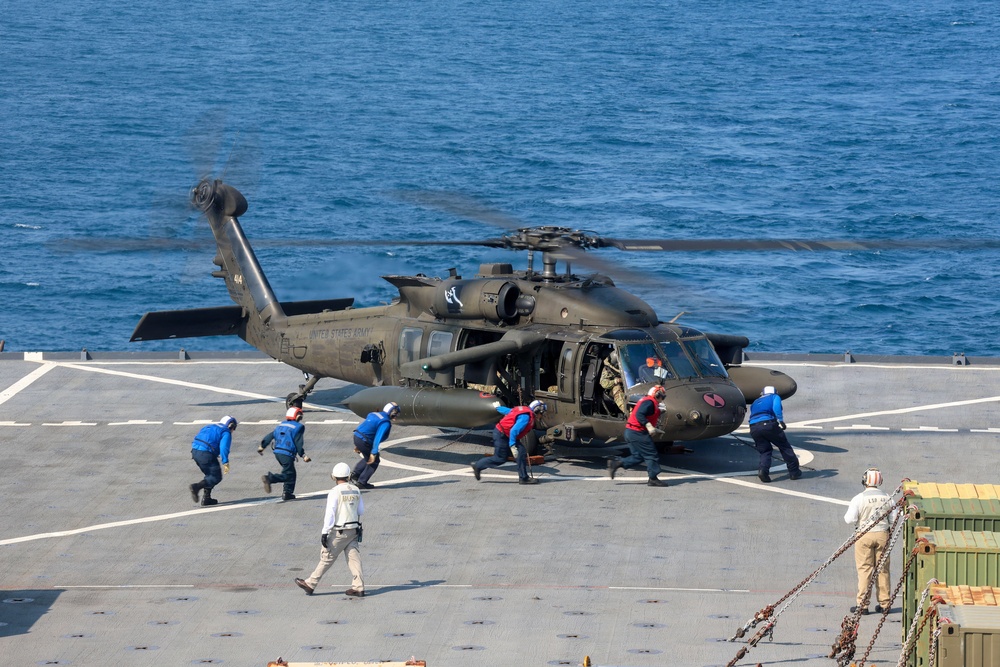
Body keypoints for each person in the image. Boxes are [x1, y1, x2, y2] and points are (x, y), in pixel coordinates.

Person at [295, 462, 365, 597]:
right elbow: (361, 510)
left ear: (334, 477)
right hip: (353, 530)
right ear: (349, 475)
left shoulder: (335, 492)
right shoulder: (356, 490)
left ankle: (311, 583)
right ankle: (359, 587)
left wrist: (325, 532)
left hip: (339, 531)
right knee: (354, 559)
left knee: (327, 557)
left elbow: (330, 514)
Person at [844, 468, 897, 615]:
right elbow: (894, 518)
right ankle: (885, 604)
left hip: (864, 535)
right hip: (882, 535)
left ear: (865, 481)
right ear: (880, 481)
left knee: (865, 570)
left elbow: (850, 519)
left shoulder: (858, 498)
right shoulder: (887, 497)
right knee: (883, 569)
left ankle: (862, 605)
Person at [470, 399, 546, 485]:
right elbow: (514, 431)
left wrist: (498, 408)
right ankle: (478, 466)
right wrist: (512, 445)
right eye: (541, 413)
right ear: (536, 411)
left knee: (521, 452)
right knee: (500, 458)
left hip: (505, 434)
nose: (542, 415)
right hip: (502, 435)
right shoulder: (526, 417)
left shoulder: (524, 411)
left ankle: (524, 478)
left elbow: (509, 411)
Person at [608, 386, 668, 487]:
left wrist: (652, 427)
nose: (662, 399)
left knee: (638, 456)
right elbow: (640, 415)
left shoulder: (647, 401)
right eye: (662, 396)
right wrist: (648, 425)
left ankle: (617, 463)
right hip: (637, 433)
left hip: (630, 432)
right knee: (651, 454)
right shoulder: (649, 402)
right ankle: (653, 478)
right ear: (657, 395)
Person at [748, 385, 801, 483]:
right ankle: (794, 472)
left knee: (765, 451)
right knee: (784, 447)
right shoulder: (774, 397)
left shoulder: (755, 402)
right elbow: (776, 408)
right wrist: (781, 421)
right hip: (768, 424)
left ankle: (763, 471)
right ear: (775, 392)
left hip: (753, 427)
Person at [259, 406, 311, 501]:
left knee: (291, 472)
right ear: (297, 416)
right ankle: (270, 478)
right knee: (289, 475)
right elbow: (298, 443)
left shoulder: (281, 425)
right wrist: (303, 455)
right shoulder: (298, 427)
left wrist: (262, 446)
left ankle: (287, 493)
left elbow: (270, 436)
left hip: (278, 453)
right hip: (287, 454)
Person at [189, 415, 238, 506]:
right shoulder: (226, 432)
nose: (233, 430)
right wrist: (225, 462)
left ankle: (206, 498)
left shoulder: (209, 426)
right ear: (230, 425)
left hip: (195, 452)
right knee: (216, 477)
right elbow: (224, 448)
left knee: (210, 475)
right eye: (234, 428)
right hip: (206, 454)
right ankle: (196, 487)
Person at [351, 402, 400, 489]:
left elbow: (365, 427)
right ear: (392, 413)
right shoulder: (385, 423)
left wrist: (358, 444)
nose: (396, 416)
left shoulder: (373, 414)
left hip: (357, 436)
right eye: (396, 414)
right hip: (364, 441)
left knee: (367, 458)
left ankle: (354, 475)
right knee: (374, 461)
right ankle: (362, 482)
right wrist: (374, 452)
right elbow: (378, 437)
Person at [599, 348, 628, 414]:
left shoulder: (625, 366)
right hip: (612, 390)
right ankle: (628, 412)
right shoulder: (607, 370)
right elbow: (604, 383)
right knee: (617, 389)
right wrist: (616, 381)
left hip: (627, 384)